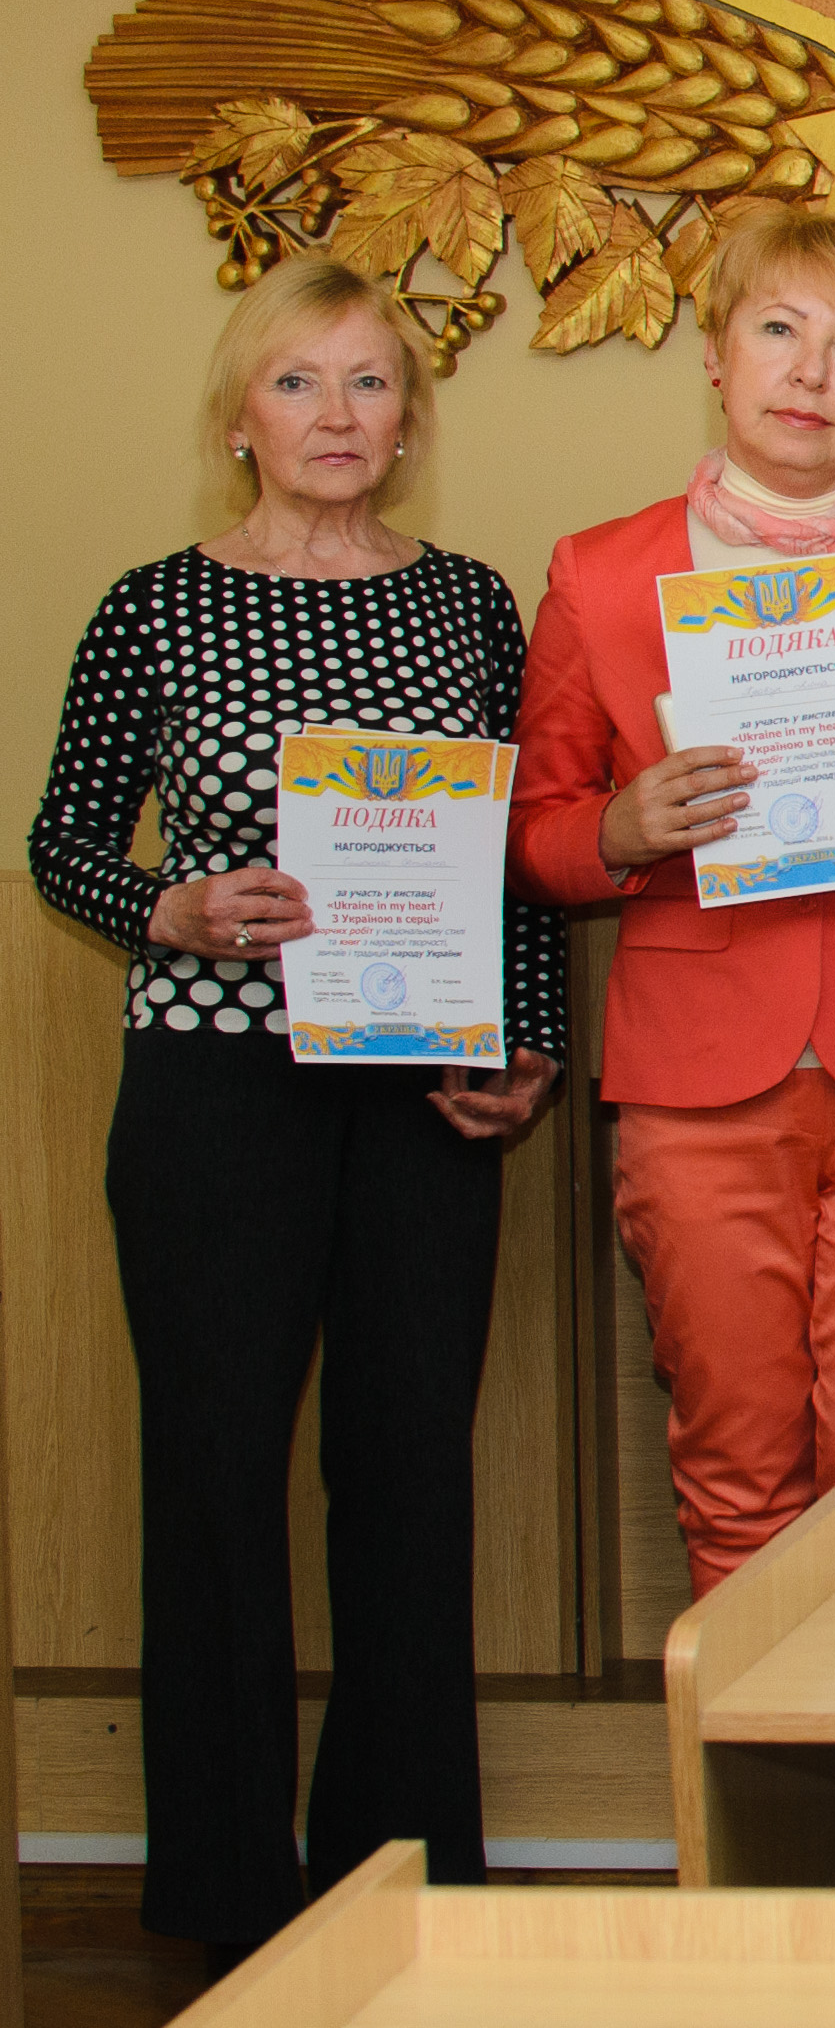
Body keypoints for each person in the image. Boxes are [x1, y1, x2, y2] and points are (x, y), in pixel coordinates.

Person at [25, 258, 562, 1957]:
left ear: (410, 423)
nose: (336, 413)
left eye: (369, 381)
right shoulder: (152, 605)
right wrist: (167, 905)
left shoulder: (471, 603)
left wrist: (532, 1038)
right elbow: (59, 841)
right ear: (237, 418)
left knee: (407, 1478)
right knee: (212, 1474)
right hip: (213, 1082)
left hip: (418, 1084)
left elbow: (517, 846)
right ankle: (222, 1890)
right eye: (297, 380)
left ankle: (405, 1875)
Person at [510, 209, 835, 1601]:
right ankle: (748, 1756)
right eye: (777, 328)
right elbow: (532, 835)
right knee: (735, 1477)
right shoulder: (600, 572)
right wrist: (617, 830)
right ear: (714, 352)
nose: (810, 370)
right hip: (699, 1080)